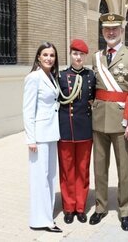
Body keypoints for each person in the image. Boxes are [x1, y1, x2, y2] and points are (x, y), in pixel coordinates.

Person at [89, 13, 128, 231]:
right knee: (100, 168)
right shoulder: (96, 57)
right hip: (99, 120)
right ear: (102, 32)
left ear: (121, 31)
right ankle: (100, 207)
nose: (110, 32)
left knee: (124, 169)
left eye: (115, 29)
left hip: (122, 123)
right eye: (106, 29)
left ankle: (124, 210)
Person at [23, 42, 62, 233]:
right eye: (45, 54)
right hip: (39, 136)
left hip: (52, 133)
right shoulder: (33, 77)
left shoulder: (52, 77)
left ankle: (46, 214)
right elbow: (28, 111)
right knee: (39, 178)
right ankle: (42, 220)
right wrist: (30, 139)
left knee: (50, 177)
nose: (48, 58)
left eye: (52, 55)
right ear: (38, 57)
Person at [57, 39, 96, 224]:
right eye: (75, 53)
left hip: (85, 130)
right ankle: (68, 208)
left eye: (81, 54)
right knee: (66, 170)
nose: (78, 57)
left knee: (82, 170)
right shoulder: (61, 76)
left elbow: (95, 99)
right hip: (65, 129)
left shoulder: (91, 76)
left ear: (85, 56)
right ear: (70, 54)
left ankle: (80, 207)